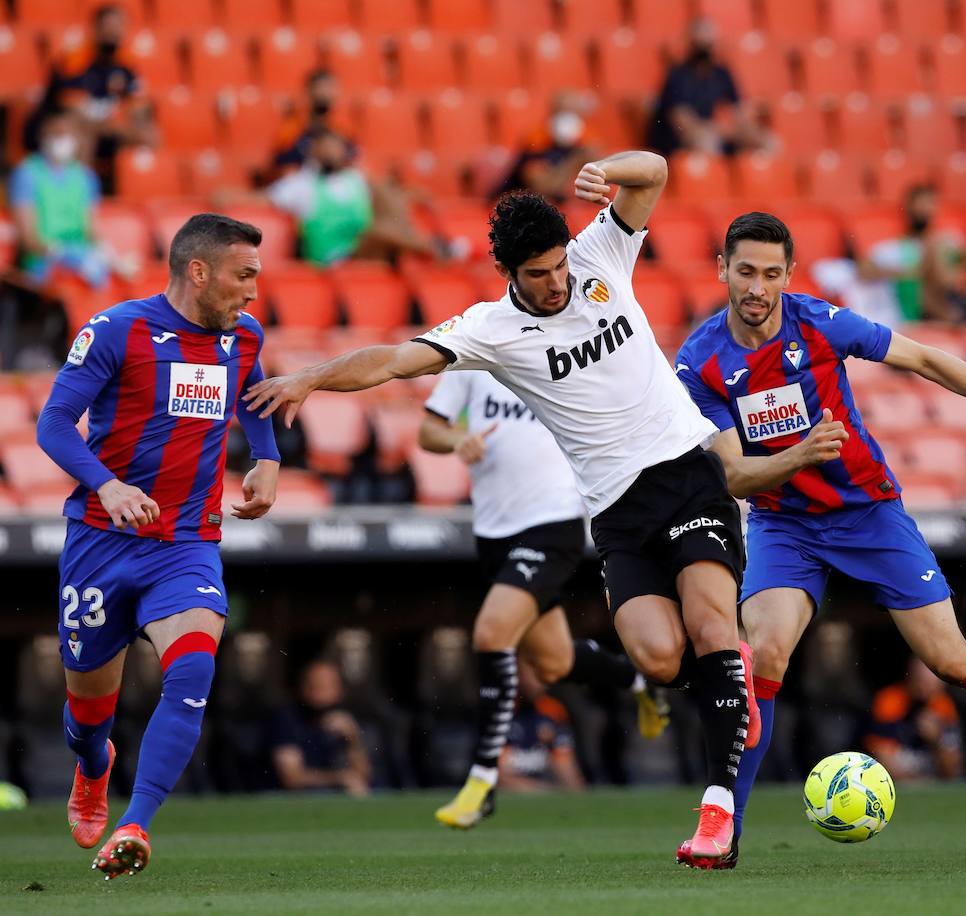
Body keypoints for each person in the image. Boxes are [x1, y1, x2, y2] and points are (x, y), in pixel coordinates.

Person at [245, 150, 760, 867]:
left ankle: (718, 817)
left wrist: (604, 167)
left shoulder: (602, 251)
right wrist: (311, 376)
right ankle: (725, 678)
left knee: (709, 621)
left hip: (685, 472)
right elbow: (392, 359)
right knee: (660, 654)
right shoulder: (490, 330)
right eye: (538, 275)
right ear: (509, 276)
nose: (556, 284)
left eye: (558, 268)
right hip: (615, 512)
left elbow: (656, 171)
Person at [673, 211, 966, 870]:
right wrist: (801, 456)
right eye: (745, 271)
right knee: (762, 655)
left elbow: (922, 358)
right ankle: (727, 830)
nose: (757, 287)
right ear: (722, 270)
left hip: (869, 513)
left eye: (771, 273)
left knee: (948, 657)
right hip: (783, 524)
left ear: (787, 275)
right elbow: (736, 474)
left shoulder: (819, 324)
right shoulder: (701, 362)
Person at [34, 213, 281, 879]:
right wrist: (107, 485)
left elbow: (255, 400)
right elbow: (53, 423)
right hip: (101, 542)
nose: (254, 291)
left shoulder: (245, 337)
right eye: (244, 275)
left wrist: (267, 459)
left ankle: (136, 823)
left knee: (194, 667)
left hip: (185, 544)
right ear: (197, 271)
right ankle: (94, 767)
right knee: (89, 711)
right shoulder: (118, 329)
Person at [419, 369, 670, 828]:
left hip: (553, 524)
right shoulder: (471, 358)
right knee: (553, 663)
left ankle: (481, 782)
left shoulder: (559, 354)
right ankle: (639, 681)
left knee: (492, 634)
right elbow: (427, 430)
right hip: (493, 536)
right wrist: (459, 438)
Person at [262, 127, 444, 265]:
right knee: (377, 232)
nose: (330, 151)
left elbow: (391, 192)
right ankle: (437, 249)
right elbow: (263, 198)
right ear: (313, 150)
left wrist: (414, 194)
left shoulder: (355, 178)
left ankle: (432, 252)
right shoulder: (301, 184)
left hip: (363, 251)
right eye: (325, 146)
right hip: (331, 259)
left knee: (388, 209)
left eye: (335, 145)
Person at [856, 183, 966, 323]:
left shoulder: (949, 239)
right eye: (920, 204)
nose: (925, 209)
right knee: (935, 247)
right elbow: (863, 270)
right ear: (907, 208)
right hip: (927, 307)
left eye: (929, 204)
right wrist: (913, 270)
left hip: (964, 299)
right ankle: (955, 306)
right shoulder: (892, 248)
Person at [30, 3, 155, 189]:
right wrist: (109, 124)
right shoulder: (75, 58)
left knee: (149, 134)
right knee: (85, 134)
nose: (113, 32)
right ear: (95, 29)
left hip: (107, 126)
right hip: (58, 124)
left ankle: (140, 200)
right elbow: (72, 107)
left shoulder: (127, 63)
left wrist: (126, 122)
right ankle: (80, 194)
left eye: (118, 26)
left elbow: (140, 107)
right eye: (108, 27)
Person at [9, 107, 116, 289]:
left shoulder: (85, 177)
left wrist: (108, 254)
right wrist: (59, 253)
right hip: (42, 260)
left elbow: (91, 229)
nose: (61, 140)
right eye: (56, 134)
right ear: (43, 137)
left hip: (81, 253)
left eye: (66, 134)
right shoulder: (27, 173)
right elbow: (28, 239)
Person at [646, 18, 771, 157]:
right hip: (674, 144)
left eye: (708, 44)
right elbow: (682, 122)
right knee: (707, 142)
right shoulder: (677, 76)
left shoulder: (721, 73)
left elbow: (740, 111)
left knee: (767, 143)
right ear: (691, 44)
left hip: (709, 133)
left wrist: (748, 134)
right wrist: (716, 131)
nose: (704, 51)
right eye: (700, 45)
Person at [270, 659, 371, 797]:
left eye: (325, 686)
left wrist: (353, 738)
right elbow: (291, 778)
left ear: (339, 689)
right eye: (313, 685)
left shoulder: (343, 717)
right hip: (293, 798)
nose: (318, 692)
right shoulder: (287, 718)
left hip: (335, 793)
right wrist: (340, 779)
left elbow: (362, 776)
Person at [864, 658, 963, 782]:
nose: (923, 689)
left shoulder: (944, 707)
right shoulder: (890, 701)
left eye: (929, 684)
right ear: (910, 678)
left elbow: (952, 770)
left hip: (932, 778)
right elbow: (881, 759)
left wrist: (936, 740)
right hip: (899, 777)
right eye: (920, 681)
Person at [497, 662, 587, 793]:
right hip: (516, 792)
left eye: (539, 675)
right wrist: (543, 790)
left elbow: (566, 767)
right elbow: (498, 776)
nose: (534, 682)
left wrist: (575, 789)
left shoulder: (554, 710)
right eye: (529, 674)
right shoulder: (503, 711)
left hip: (544, 787)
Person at [494, 93, 600, 202]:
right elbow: (543, 188)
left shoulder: (581, 143)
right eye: (563, 112)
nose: (569, 120)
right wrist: (574, 162)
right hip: (515, 206)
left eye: (574, 113)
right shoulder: (536, 141)